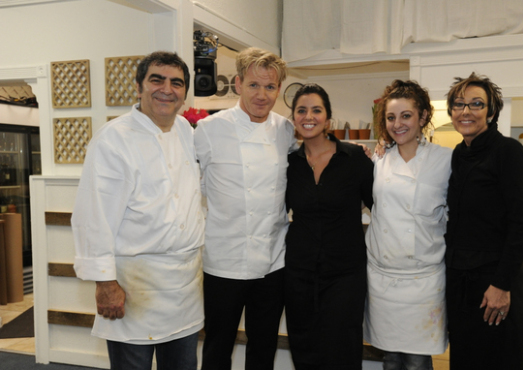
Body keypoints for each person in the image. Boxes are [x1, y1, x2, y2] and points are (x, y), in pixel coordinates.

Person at [72, 51, 205, 370]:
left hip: (184, 285)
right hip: (133, 285)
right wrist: (105, 283)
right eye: (156, 79)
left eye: (176, 82)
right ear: (138, 86)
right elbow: (93, 216)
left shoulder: (186, 131)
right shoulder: (113, 139)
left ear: (184, 93)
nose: (167, 88)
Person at [193, 47, 296, 370]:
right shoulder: (210, 130)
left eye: (270, 87)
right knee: (218, 344)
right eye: (253, 85)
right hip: (224, 260)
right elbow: (194, 185)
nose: (262, 95)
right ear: (237, 83)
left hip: (272, 259)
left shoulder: (286, 130)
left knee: (263, 344)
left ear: (279, 90)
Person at [444, 72, 523, 370]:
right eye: (459, 104)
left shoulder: (508, 152)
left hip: (494, 283)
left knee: (497, 361)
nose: (465, 111)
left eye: (476, 104)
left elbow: (520, 225)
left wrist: (501, 284)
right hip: (460, 283)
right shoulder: (458, 154)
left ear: (492, 112)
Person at [284, 83, 374, 370]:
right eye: (301, 110)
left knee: (342, 348)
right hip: (299, 272)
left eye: (316, 110)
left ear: (328, 120)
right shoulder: (288, 164)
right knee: (303, 346)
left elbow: (383, 209)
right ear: (294, 118)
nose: (308, 116)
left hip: (345, 274)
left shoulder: (354, 158)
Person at [364, 80, 451, 370]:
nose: (397, 124)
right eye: (391, 117)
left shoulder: (445, 160)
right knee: (390, 358)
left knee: (416, 361)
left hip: (423, 279)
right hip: (383, 277)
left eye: (406, 116)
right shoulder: (378, 159)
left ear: (423, 117)